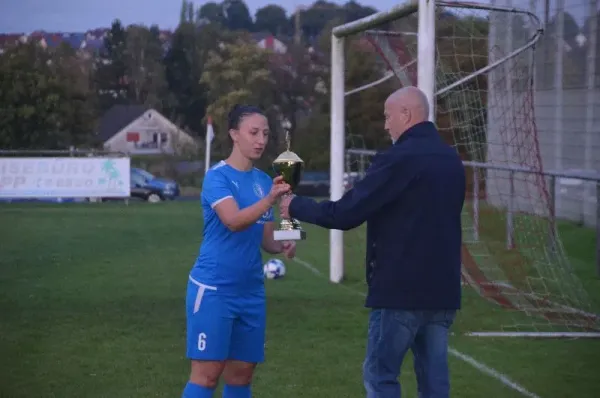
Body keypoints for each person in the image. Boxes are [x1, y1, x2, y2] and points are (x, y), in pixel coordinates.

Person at [280, 86, 466, 398]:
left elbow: (346, 213)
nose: (385, 125)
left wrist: (294, 206)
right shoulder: (452, 160)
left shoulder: (398, 159)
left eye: (387, 116)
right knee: (435, 383)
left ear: (406, 114)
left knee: (381, 377)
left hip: (401, 292)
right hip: (443, 292)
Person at [182, 104, 296, 398]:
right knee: (206, 377)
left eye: (266, 134)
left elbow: (266, 240)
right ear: (234, 134)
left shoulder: (262, 181)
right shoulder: (217, 177)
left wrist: (284, 242)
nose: (261, 140)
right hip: (214, 289)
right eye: (254, 132)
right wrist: (270, 199)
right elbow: (233, 221)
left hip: (251, 292)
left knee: (242, 375)